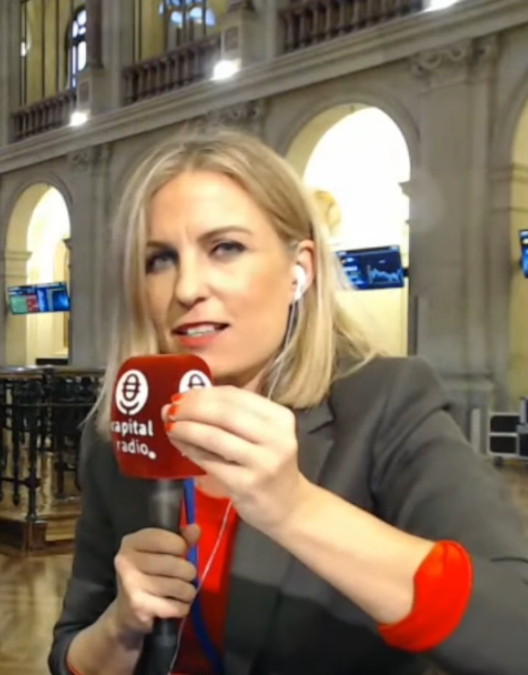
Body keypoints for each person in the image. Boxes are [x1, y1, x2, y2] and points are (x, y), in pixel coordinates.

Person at [50, 127, 528, 675]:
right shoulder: (118, 433)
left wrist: (295, 509)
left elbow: (515, 631)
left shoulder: (388, 402)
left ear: (300, 270)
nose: (186, 288)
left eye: (225, 248)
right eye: (159, 259)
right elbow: (69, 653)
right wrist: (121, 626)